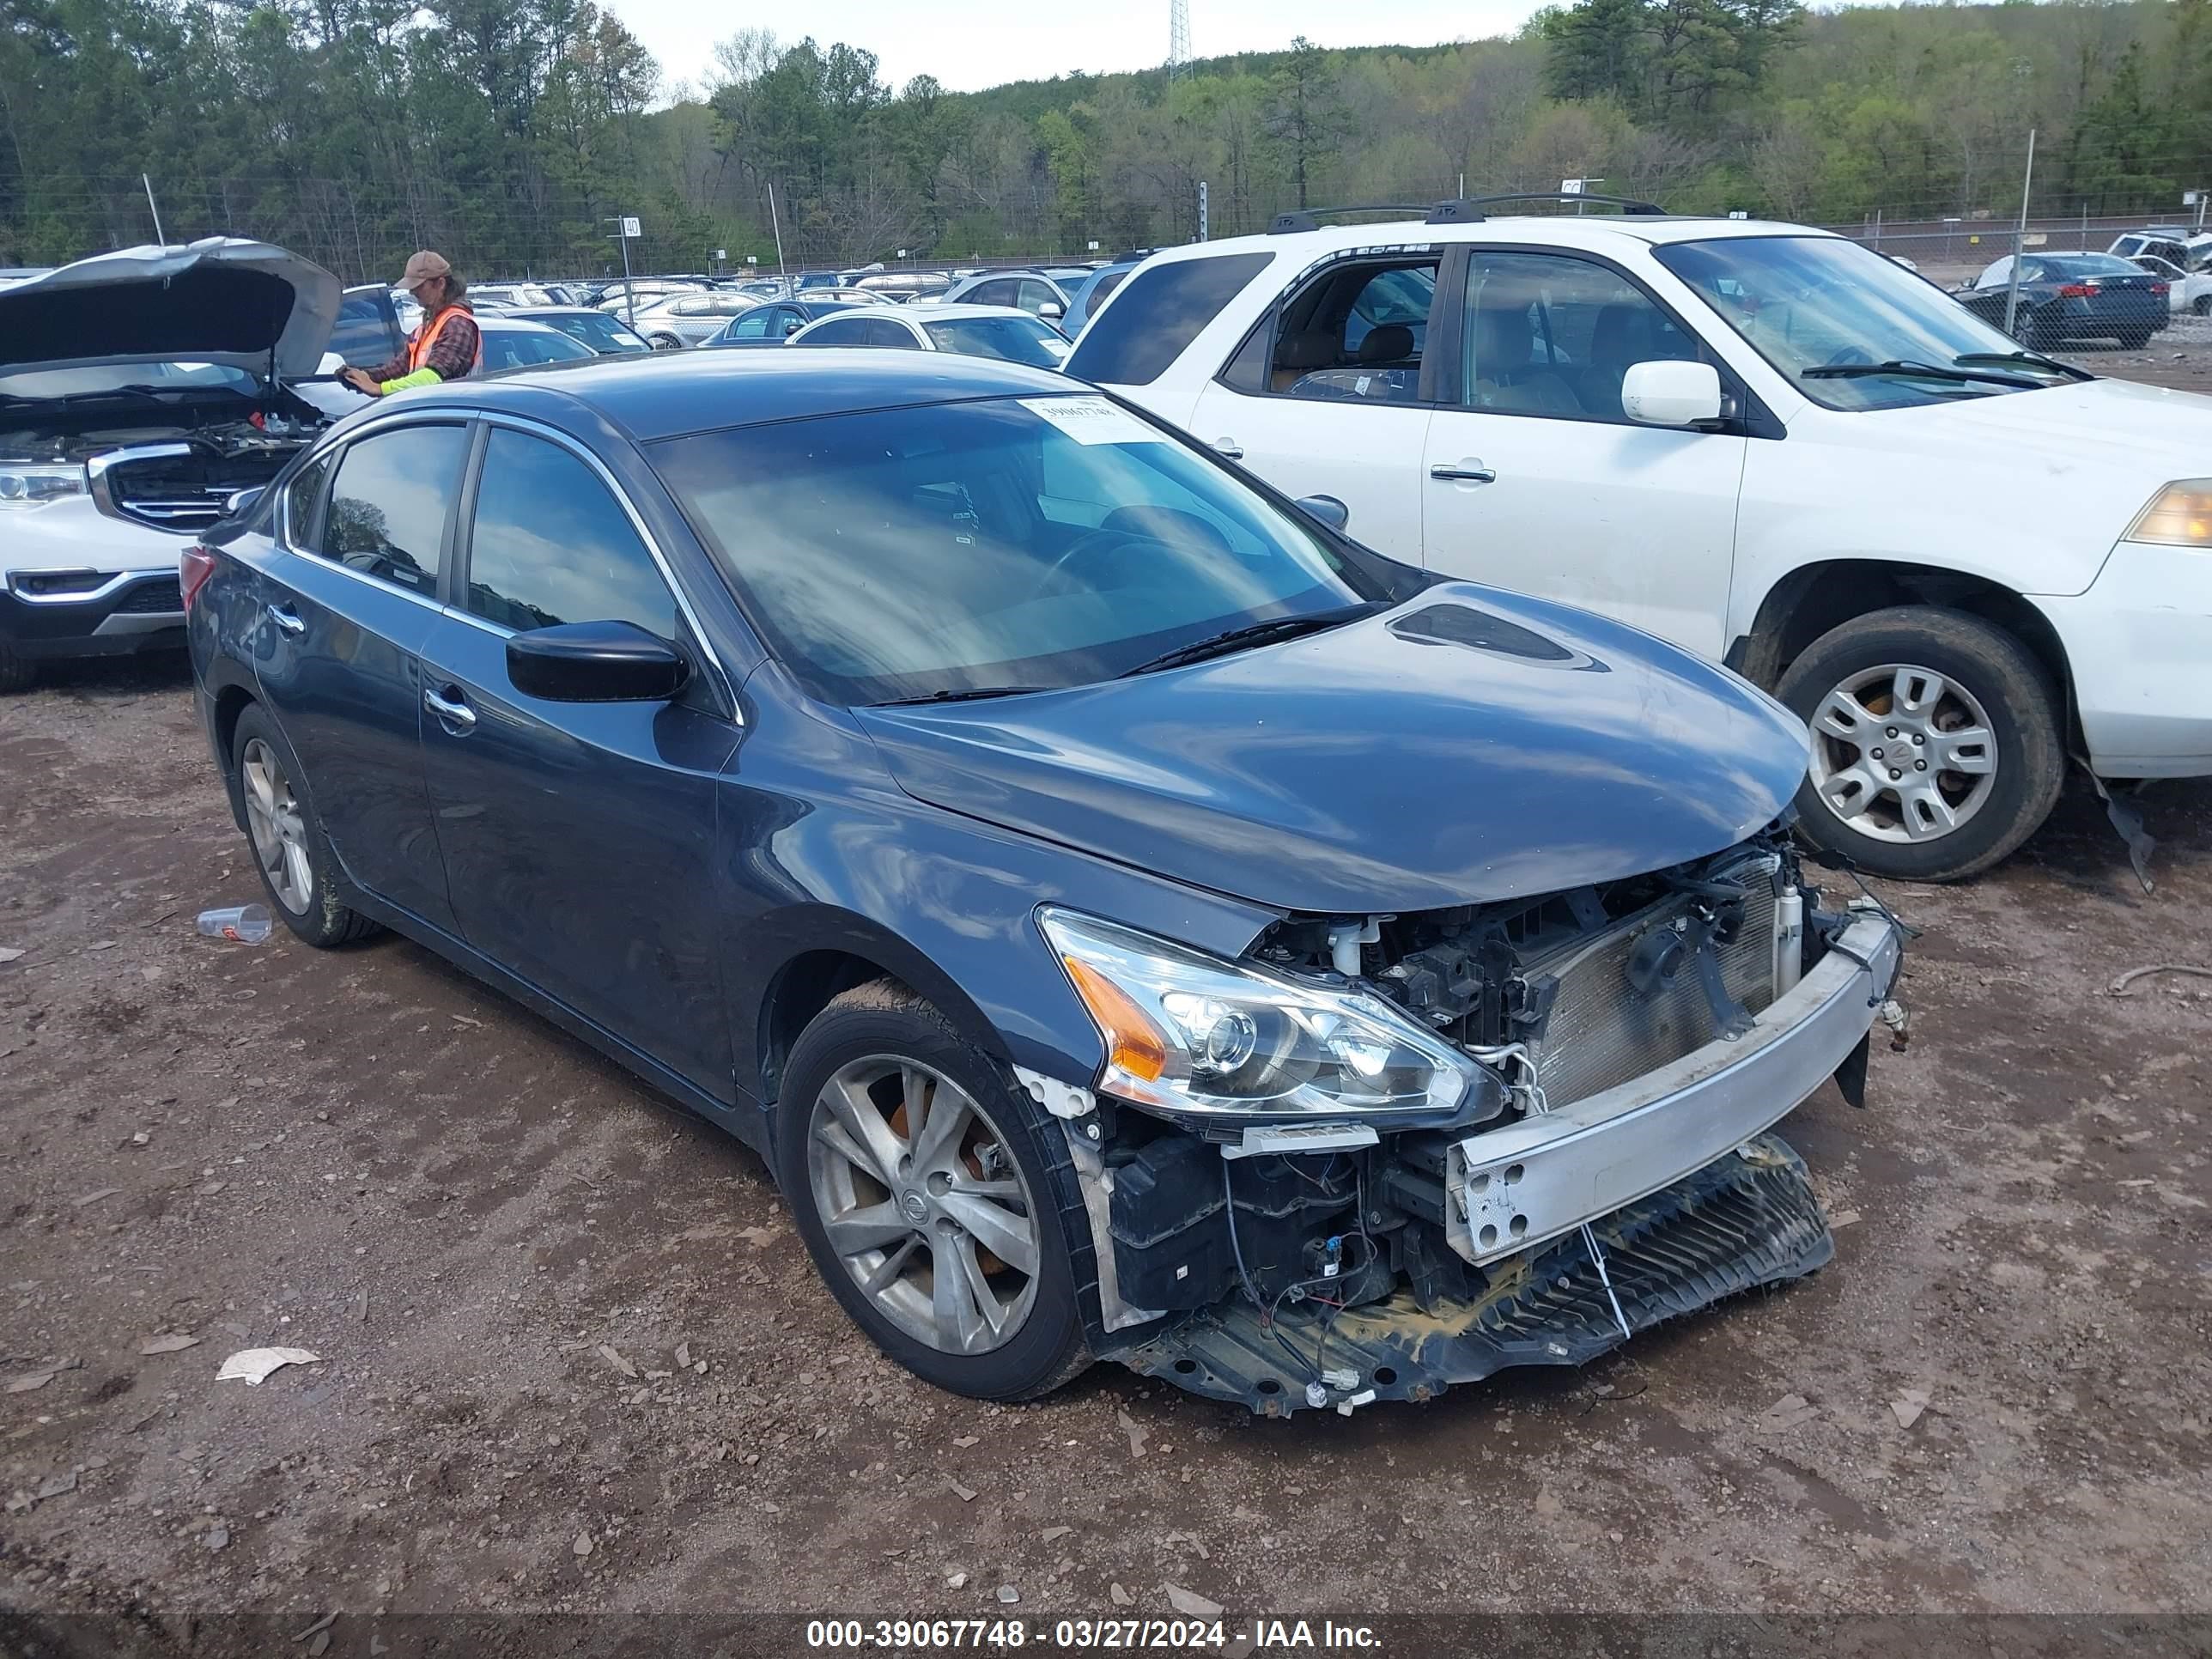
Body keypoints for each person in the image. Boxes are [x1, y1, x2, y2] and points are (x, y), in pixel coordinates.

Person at [342, 251, 481, 397]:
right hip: (430, 412)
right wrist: (362, 377)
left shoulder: (458, 325)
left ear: (440, 284)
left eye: (418, 286)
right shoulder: (426, 328)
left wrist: (380, 388)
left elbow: (434, 377)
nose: (412, 291)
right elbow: (398, 369)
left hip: (452, 414)